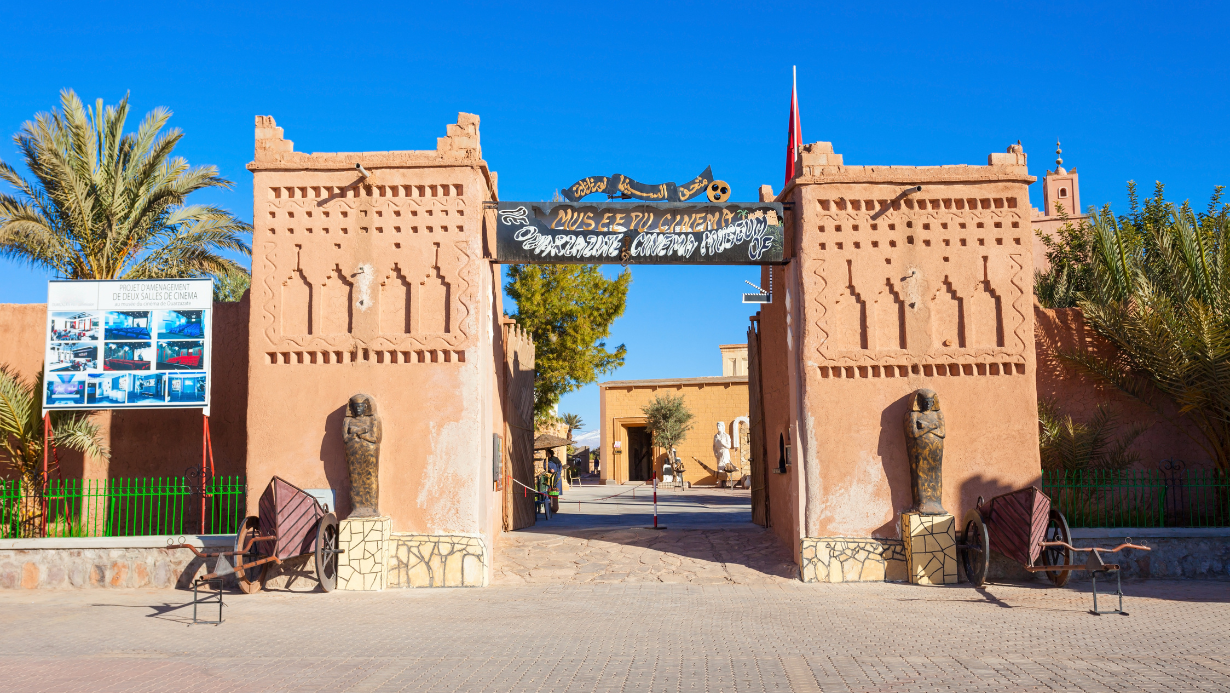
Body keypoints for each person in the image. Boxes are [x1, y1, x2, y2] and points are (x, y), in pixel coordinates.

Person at [545, 449, 563, 513]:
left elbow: (560, 466)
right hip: (550, 477)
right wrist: (549, 470)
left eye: (549, 453)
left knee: (555, 492)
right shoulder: (546, 460)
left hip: (556, 476)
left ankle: (555, 507)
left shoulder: (556, 459)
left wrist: (558, 472)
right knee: (549, 491)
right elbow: (545, 467)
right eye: (547, 454)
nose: (548, 455)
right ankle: (549, 507)